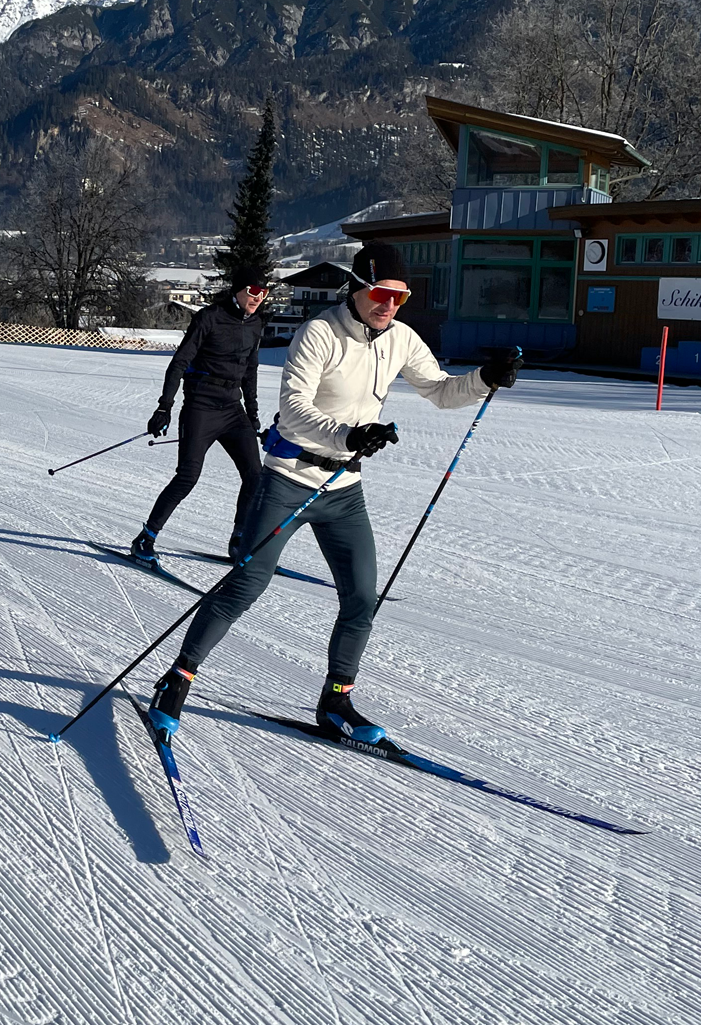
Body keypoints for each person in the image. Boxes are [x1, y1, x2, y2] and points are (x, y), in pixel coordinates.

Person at [144, 242, 521, 747]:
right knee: (246, 585)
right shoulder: (319, 333)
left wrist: (484, 380)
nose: (389, 305)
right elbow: (294, 409)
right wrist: (349, 435)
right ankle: (178, 678)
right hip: (287, 479)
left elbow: (440, 390)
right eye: (382, 294)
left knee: (363, 595)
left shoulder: (401, 339)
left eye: (400, 297)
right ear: (359, 288)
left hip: (343, 490)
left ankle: (336, 700)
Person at [129, 272, 271, 567]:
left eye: (265, 292)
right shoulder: (210, 317)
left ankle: (239, 540)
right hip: (201, 407)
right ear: (239, 290)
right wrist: (164, 407)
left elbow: (250, 370)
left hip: (233, 409)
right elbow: (180, 361)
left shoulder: (256, 323)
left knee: (255, 476)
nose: (259, 297)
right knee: (188, 477)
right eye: (254, 290)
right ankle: (145, 538)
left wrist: (253, 413)